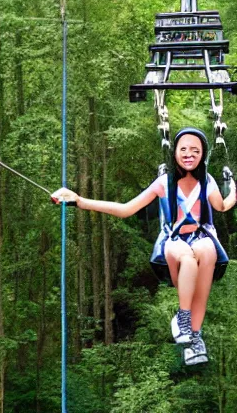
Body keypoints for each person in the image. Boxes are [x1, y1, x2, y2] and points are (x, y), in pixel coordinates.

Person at [51, 127, 236, 365]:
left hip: (200, 237)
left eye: (195, 150)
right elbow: (126, 209)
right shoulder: (164, 183)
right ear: (175, 153)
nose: (189, 154)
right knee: (188, 258)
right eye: (184, 149)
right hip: (174, 241)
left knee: (208, 252)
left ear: (202, 155)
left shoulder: (207, 182)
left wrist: (233, 190)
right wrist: (80, 201)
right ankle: (183, 318)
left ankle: (195, 337)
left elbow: (221, 206)